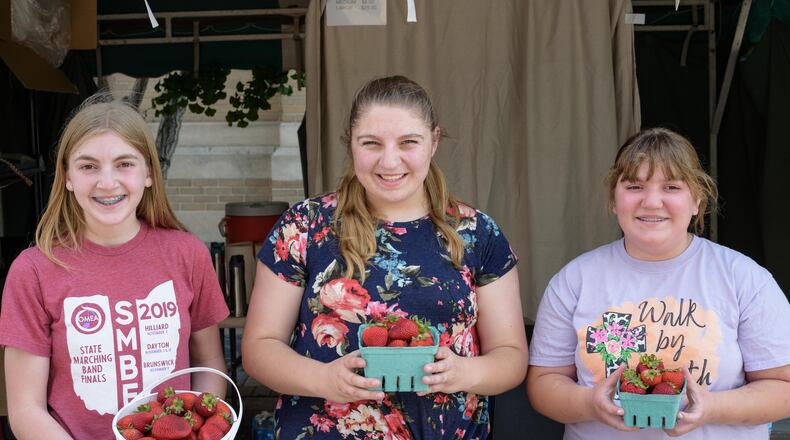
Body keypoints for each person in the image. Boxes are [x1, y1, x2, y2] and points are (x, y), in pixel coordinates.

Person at [241, 76, 528, 439]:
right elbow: (259, 347)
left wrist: (465, 373)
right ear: (351, 144)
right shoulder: (305, 226)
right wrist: (324, 378)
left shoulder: (477, 232)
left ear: (434, 141)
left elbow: (512, 356)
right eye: (371, 143)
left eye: (409, 142)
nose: (389, 161)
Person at [527, 127, 790, 439]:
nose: (652, 202)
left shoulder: (744, 278)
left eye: (671, 187)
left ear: (697, 200)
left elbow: (783, 388)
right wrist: (589, 402)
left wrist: (710, 407)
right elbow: (544, 382)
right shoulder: (574, 280)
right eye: (635, 186)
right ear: (614, 198)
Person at [0, 98, 230, 439]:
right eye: (88, 166)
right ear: (67, 178)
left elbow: (209, 364)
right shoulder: (33, 271)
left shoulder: (187, 254)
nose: (107, 183)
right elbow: (25, 409)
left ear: (149, 173)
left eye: (124, 164)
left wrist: (201, 431)